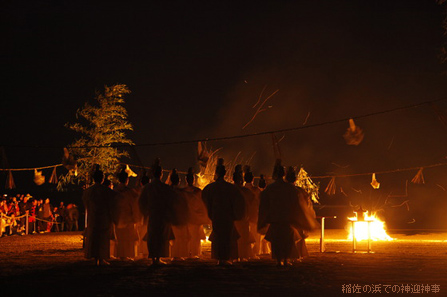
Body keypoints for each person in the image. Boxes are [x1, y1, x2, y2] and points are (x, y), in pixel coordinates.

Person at [258, 160, 319, 267]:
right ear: (284, 174)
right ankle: (286, 259)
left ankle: (278, 260)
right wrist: (300, 220)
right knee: (287, 241)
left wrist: (264, 220)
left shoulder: (270, 189)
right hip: (287, 220)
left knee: (277, 241)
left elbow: (264, 206)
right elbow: (297, 206)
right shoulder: (291, 189)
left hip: (275, 220)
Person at [202, 158, 245, 266]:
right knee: (226, 237)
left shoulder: (209, 188)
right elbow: (238, 202)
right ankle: (225, 258)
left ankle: (219, 258)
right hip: (228, 216)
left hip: (216, 216)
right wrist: (236, 215)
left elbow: (205, 200)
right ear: (225, 173)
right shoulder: (231, 188)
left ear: (216, 173)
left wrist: (210, 211)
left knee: (218, 236)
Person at [138, 158, 175, 266]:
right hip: (162, 216)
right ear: (161, 174)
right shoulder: (165, 188)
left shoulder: (147, 188)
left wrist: (145, 213)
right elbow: (171, 201)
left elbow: (142, 202)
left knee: (153, 235)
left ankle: (154, 258)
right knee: (161, 236)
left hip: (153, 215)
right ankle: (157, 257)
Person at [82, 165, 116, 266]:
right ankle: (101, 258)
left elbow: (85, 204)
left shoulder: (88, 191)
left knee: (94, 238)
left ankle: (96, 258)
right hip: (104, 218)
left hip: (93, 218)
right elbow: (113, 203)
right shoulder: (106, 191)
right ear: (102, 179)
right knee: (102, 239)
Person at [113, 167, 141, 261]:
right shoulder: (130, 192)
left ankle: (121, 255)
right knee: (128, 238)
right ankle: (126, 255)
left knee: (120, 238)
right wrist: (136, 217)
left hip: (117, 218)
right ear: (127, 180)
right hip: (128, 218)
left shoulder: (114, 192)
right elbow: (134, 205)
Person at [182, 167, 210, 258]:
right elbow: (203, 204)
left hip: (187, 216)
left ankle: (189, 253)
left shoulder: (183, 192)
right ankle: (194, 253)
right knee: (194, 237)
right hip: (194, 217)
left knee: (189, 236)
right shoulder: (198, 191)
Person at [232, 165, 255, 261]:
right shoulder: (246, 192)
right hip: (242, 218)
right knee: (242, 237)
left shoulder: (231, 190)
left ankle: (236, 255)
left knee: (237, 237)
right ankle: (242, 255)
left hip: (236, 218)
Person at [167, 169, 190, 260]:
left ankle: (174, 254)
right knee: (180, 237)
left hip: (170, 217)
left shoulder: (167, 191)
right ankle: (177, 255)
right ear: (179, 181)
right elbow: (185, 205)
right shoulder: (182, 192)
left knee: (173, 237)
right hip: (179, 217)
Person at [243, 165, 262, 258]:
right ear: (253, 179)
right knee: (255, 233)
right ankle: (255, 251)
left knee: (245, 233)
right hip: (254, 214)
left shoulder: (242, 190)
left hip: (244, 214)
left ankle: (247, 250)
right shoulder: (256, 190)